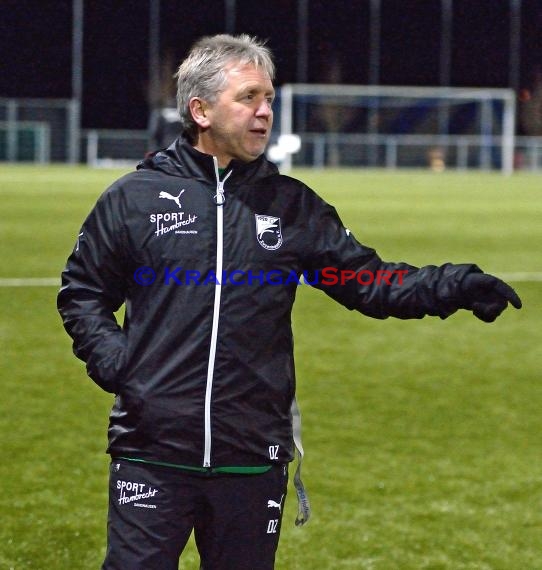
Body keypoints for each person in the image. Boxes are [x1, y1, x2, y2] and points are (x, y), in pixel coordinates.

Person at [57, 34, 522, 570]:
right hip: (152, 451)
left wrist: (455, 285)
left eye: (269, 99)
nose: (265, 112)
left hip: (252, 455)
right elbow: (84, 293)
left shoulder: (291, 207)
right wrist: (121, 365)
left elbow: (366, 282)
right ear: (200, 110)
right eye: (249, 97)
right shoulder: (133, 199)